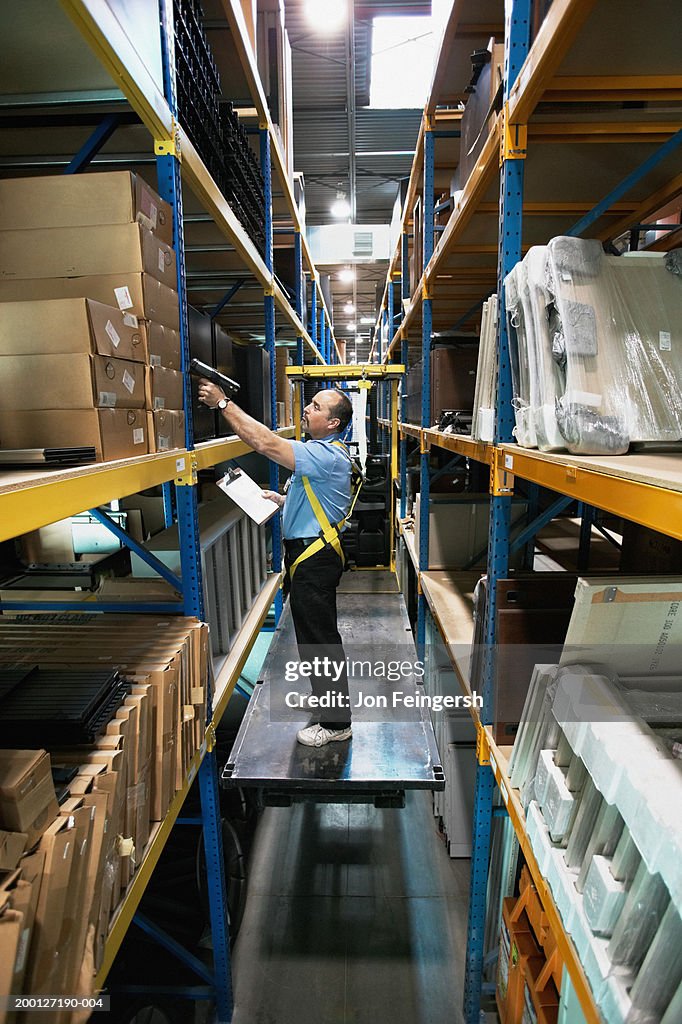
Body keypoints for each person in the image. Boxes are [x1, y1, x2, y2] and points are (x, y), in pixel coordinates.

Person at [197, 377, 354, 748]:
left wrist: (222, 404)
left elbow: (265, 442)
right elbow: (322, 504)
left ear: (333, 423)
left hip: (313, 558)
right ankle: (327, 701)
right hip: (311, 552)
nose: (307, 409)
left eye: (316, 407)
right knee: (312, 636)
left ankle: (336, 723)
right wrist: (282, 501)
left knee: (320, 640)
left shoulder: (323, 454)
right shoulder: (324, 453)